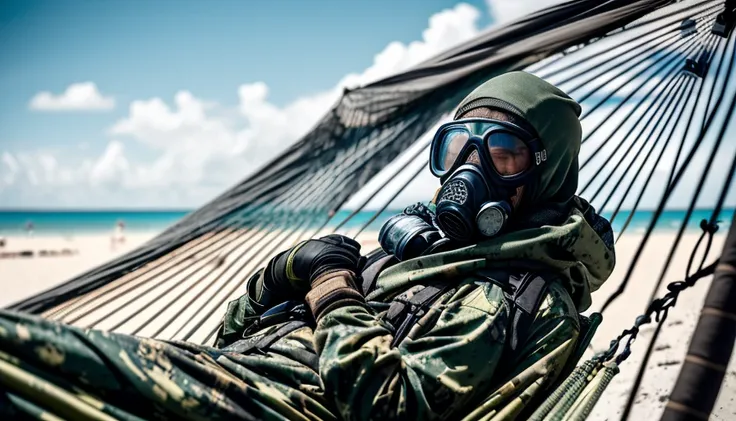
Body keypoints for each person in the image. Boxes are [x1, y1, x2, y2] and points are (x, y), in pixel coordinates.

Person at [0, 72, 615, 421]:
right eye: (459, 148)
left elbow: (387, 409)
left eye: (500, 152)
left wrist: (331, 291)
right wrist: (277, 279)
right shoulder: (422, 255)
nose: (471, 168)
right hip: (238, 378)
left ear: (544, 172)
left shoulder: (503, 293)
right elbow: (231, 340)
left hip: (274, 404)